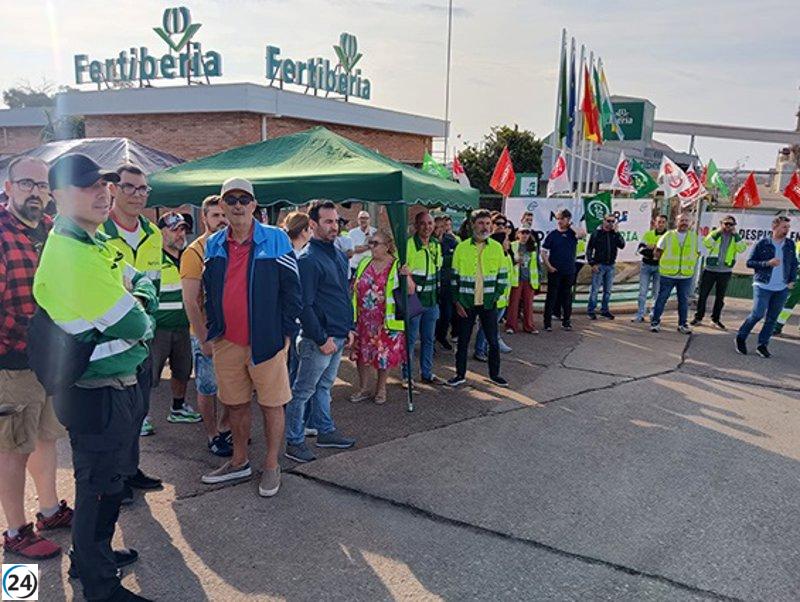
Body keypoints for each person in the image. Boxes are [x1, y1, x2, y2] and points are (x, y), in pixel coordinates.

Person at [34, 153, 156, 601]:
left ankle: (91, 558)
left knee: (105, 484)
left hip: (108, 387)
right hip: (96, 392)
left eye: (104, 183)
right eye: (88, 186)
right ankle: (99, 585)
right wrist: (139, 297)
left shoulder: (90, 241)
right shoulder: (72, 254)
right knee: (100, 489)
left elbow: (139, 278)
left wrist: (137, 290)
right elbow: (137, 325)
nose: (102, 192)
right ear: (59, 196)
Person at [200, 177, 301, 498]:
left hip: (267, 341)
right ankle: (239, 460)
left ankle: (271, 464)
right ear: (222, 206)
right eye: (231, 200)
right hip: (227, 341)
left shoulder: (277, 239)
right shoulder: (213, 244)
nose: (239, 205)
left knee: (272, 404)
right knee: (235, 403)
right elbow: (208, 292)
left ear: (254, 205)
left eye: (245, 199)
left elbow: (292, 292)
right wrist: (214, 332)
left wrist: (288, 335)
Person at [1, 157, 73, 561]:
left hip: (49, 359)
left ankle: (48, 510)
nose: (36, 192)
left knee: (46, 437)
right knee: (12, 448)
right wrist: (31, 334)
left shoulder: (50, 231)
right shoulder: (1, 234)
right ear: (9, 188)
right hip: (11, 361)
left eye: (43, 186)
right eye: (27, 184)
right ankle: (15, 531)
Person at [99, 165, 163, 503]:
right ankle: (114, 478)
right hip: (111, 339)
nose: (138, 194)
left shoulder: (153, 232)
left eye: (143, 189)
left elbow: (152, 282)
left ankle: (130, 468)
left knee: (138, 409)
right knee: (116, 415)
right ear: (114, 189)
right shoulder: (99, 232)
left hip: (144, 335)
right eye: (130, 187)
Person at [284, 200, 357, 463]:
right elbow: (304, 305)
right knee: (302, 391)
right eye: (327, 221)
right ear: (312, 225)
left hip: (337, 335)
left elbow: (342, 294)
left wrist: (348, 328)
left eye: (336, 221)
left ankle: (325, 431)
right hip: (319, 339)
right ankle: (294, 441)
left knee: (324, 387)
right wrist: (321, 337)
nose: (334, 226)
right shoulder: (308, 259)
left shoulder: (336, 253)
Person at [180, 195, 232, 457]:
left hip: (231, 334)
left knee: (231, 386)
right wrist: (203, 339)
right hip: (207, 335)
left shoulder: (234, 247)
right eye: (216, 216)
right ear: (204, 218)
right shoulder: (194, 252)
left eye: (224, 215)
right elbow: (190, 301)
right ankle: (213, 436)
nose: (222, 221)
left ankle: (225, 428)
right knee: (208, 387)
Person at [447, 209, 509, 388]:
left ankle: (495, 374)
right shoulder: (462, 247)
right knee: (463, 341)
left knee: (492, 340)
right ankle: (459, 375)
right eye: (481, 223)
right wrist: (457, 301)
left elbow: (502, 277)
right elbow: (454, 278)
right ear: (473, 225)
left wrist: (495, 297)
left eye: (488, 223)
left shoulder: (497, 248)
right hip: (466, 303)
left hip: (488, 303)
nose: (485, 227)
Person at [351, 230, 413, 404]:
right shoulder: (364, 263)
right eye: (370, 242)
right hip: (364, 320)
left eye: (375, 243)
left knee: (383, 356)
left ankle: (381, 389)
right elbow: (355, 286)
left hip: (385, 321)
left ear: (387, 247)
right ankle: (363, 388)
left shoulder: (397, 265)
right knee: (362, 355)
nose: (371, 246)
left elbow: (410, 291)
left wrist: (406, 275)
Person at [151, 212, 200, 426]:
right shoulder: (152, 258)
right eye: (175, 229)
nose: (180, 234)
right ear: (161, 232)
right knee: (149, 374)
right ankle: (141, 414)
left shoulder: (189, 257)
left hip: (183, 326)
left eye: (183, 230)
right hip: (158, 328)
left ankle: (178, 408)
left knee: (182, 370)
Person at [735, 216, 798, 357]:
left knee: (772, 318)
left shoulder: (790, 244)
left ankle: (762, 345)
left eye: (788, 227)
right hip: (762, 284)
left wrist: (792, 279)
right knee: (757, 314)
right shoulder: (762, 243)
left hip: (781, 287)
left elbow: (794, 263)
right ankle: (741, 337)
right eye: (784, 227)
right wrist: (767, 263)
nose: (787, 230)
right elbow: (750, 263)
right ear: (774, 227)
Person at [403, 211, 443, 385]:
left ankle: (426, 373)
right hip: (415, 300)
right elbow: (401, 267)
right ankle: (407, 375)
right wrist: (407, 276)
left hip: (432, 299)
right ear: (416, 226)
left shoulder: (435, 244)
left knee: (429, 339)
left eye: (430, 223)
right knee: (411, 339)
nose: (427, 227)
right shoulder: (409, 245)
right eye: (423, 223)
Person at [691, 216, 747, 329]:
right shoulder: (715, 234)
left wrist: (736, 235)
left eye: (731, 224)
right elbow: (707, 243)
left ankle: (715, 319)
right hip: (710, 269)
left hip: (725, 271)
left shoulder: (735, 237)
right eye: (726, 224)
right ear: (721, 223)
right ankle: (698, 317)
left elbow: (742, 248)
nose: (728, 226)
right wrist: (717, 232)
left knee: (720, 297)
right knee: (703, 295)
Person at [650, 213, 700, 334]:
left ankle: (682, 324)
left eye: (686, 221)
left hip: (685, 275)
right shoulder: (668, 235)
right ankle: (655, 322)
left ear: (691, 223)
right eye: (681, 220)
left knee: (683, 301)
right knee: (662, 299)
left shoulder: (695, 237)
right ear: (676, 222)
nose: (684, 223)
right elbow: (658, 251)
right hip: (668, 275)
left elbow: (699, 252)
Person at [474, 230, 514, 359]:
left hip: (503, 299)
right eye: (506, 240)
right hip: (495, 300)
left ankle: (484, 349)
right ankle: (480, 350)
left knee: (491, 327)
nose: (509, 243)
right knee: (486, 327)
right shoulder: (498, 256)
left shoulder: (506, 255)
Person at [541, 209, 579, 331]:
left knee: (567, 297)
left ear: (568, 219)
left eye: (562, 219)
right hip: (555, 271)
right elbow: (543, 252)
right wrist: (549, 266)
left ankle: (566, 321)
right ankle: (547, 323)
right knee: (551, 296)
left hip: (569, 271)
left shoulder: (572, 234)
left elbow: (582, 234)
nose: (560, 221)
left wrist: (571, 226)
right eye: (558, 219)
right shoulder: (552, 235)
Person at [586, 213, 626, 320]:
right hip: (599, 265)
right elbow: (589, 249)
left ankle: (604, 310)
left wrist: (617, 233)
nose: (610, 223)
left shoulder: (614, 234)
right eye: (608, 221)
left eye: (613, 221)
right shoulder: (597, 233)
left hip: (611, 265)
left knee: (607, 290)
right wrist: (592, 263)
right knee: (595, 290)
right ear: (603, 221)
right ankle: (591, 310)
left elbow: (622, 245)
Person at [633, 215, 668, 323]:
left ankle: (654, 314)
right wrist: (650, 250)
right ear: (655, 223)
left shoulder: (668, 235)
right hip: (646, 266)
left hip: (660, 267)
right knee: (642, 292)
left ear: (666, 223)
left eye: (663, 222)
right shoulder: (648, 234)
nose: (660, 224)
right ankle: (640, 314)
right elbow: (640, 249)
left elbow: (667, 251)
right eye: (659, 222)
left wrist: (655, 249)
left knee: (656, 293)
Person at [506, 226, 540, 334]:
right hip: (516, 279)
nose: (525, 235)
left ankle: (529, 326)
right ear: (518, 234)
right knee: (513, 303)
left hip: (529, 279)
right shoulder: (513, 245)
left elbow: (537, 263)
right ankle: (511, 326)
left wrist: (538, 278)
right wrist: (515, 261)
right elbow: (508, 261)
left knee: (528, 304)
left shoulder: (533, 246)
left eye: (527, 233)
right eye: (522, 232)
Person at [435, 215, 460, 349]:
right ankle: (432, 338)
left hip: (447, 283)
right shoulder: (430, 241)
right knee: (434, 314)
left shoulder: (451, 240)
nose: (439, 229)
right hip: (434, 282)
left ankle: (441, 336)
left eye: (442, 226)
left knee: (447, 314)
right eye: (437, 226)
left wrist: (445, 260)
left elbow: (457, 257)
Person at [774, 239, 800, 336]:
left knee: (788, 303)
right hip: (798, 280)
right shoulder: (798, 245)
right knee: (789, 304)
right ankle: (777, 326)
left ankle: (777, 326)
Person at [347, 209, 376, 278]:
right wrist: (369, 246)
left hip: (369, 267)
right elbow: (354, 250)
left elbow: (377, 248)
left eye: (366, 218)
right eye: (361, 218)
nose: (363, 220)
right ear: (358, 220)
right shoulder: (352, 233)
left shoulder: (375, 232)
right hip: (354, 267)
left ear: (369, 220)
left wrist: (368, 236)